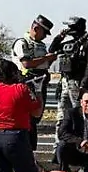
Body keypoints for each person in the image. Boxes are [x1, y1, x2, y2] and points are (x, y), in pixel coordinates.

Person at [49, 16, 88, 139]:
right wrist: (59, 37)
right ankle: (59, 143)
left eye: (70, 27)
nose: (68, 30)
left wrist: (84, 86)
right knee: (62, 115)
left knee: (79, 115)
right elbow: (52, 49)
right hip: (65, 81)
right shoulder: (70, 43)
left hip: (78, 83)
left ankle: (80, 142)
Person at [11, 15, 56, 150]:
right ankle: (24, 149)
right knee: (26, 117)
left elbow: (44, 63)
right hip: (26, 83)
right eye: (44, 33)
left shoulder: (41, 45)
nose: (44, 37)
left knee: (36, 116)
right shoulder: (22, 43)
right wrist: (45, 58)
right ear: (36, 28)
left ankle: (30, 150)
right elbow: (26, 63)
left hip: (40, 83)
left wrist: (51, 59)